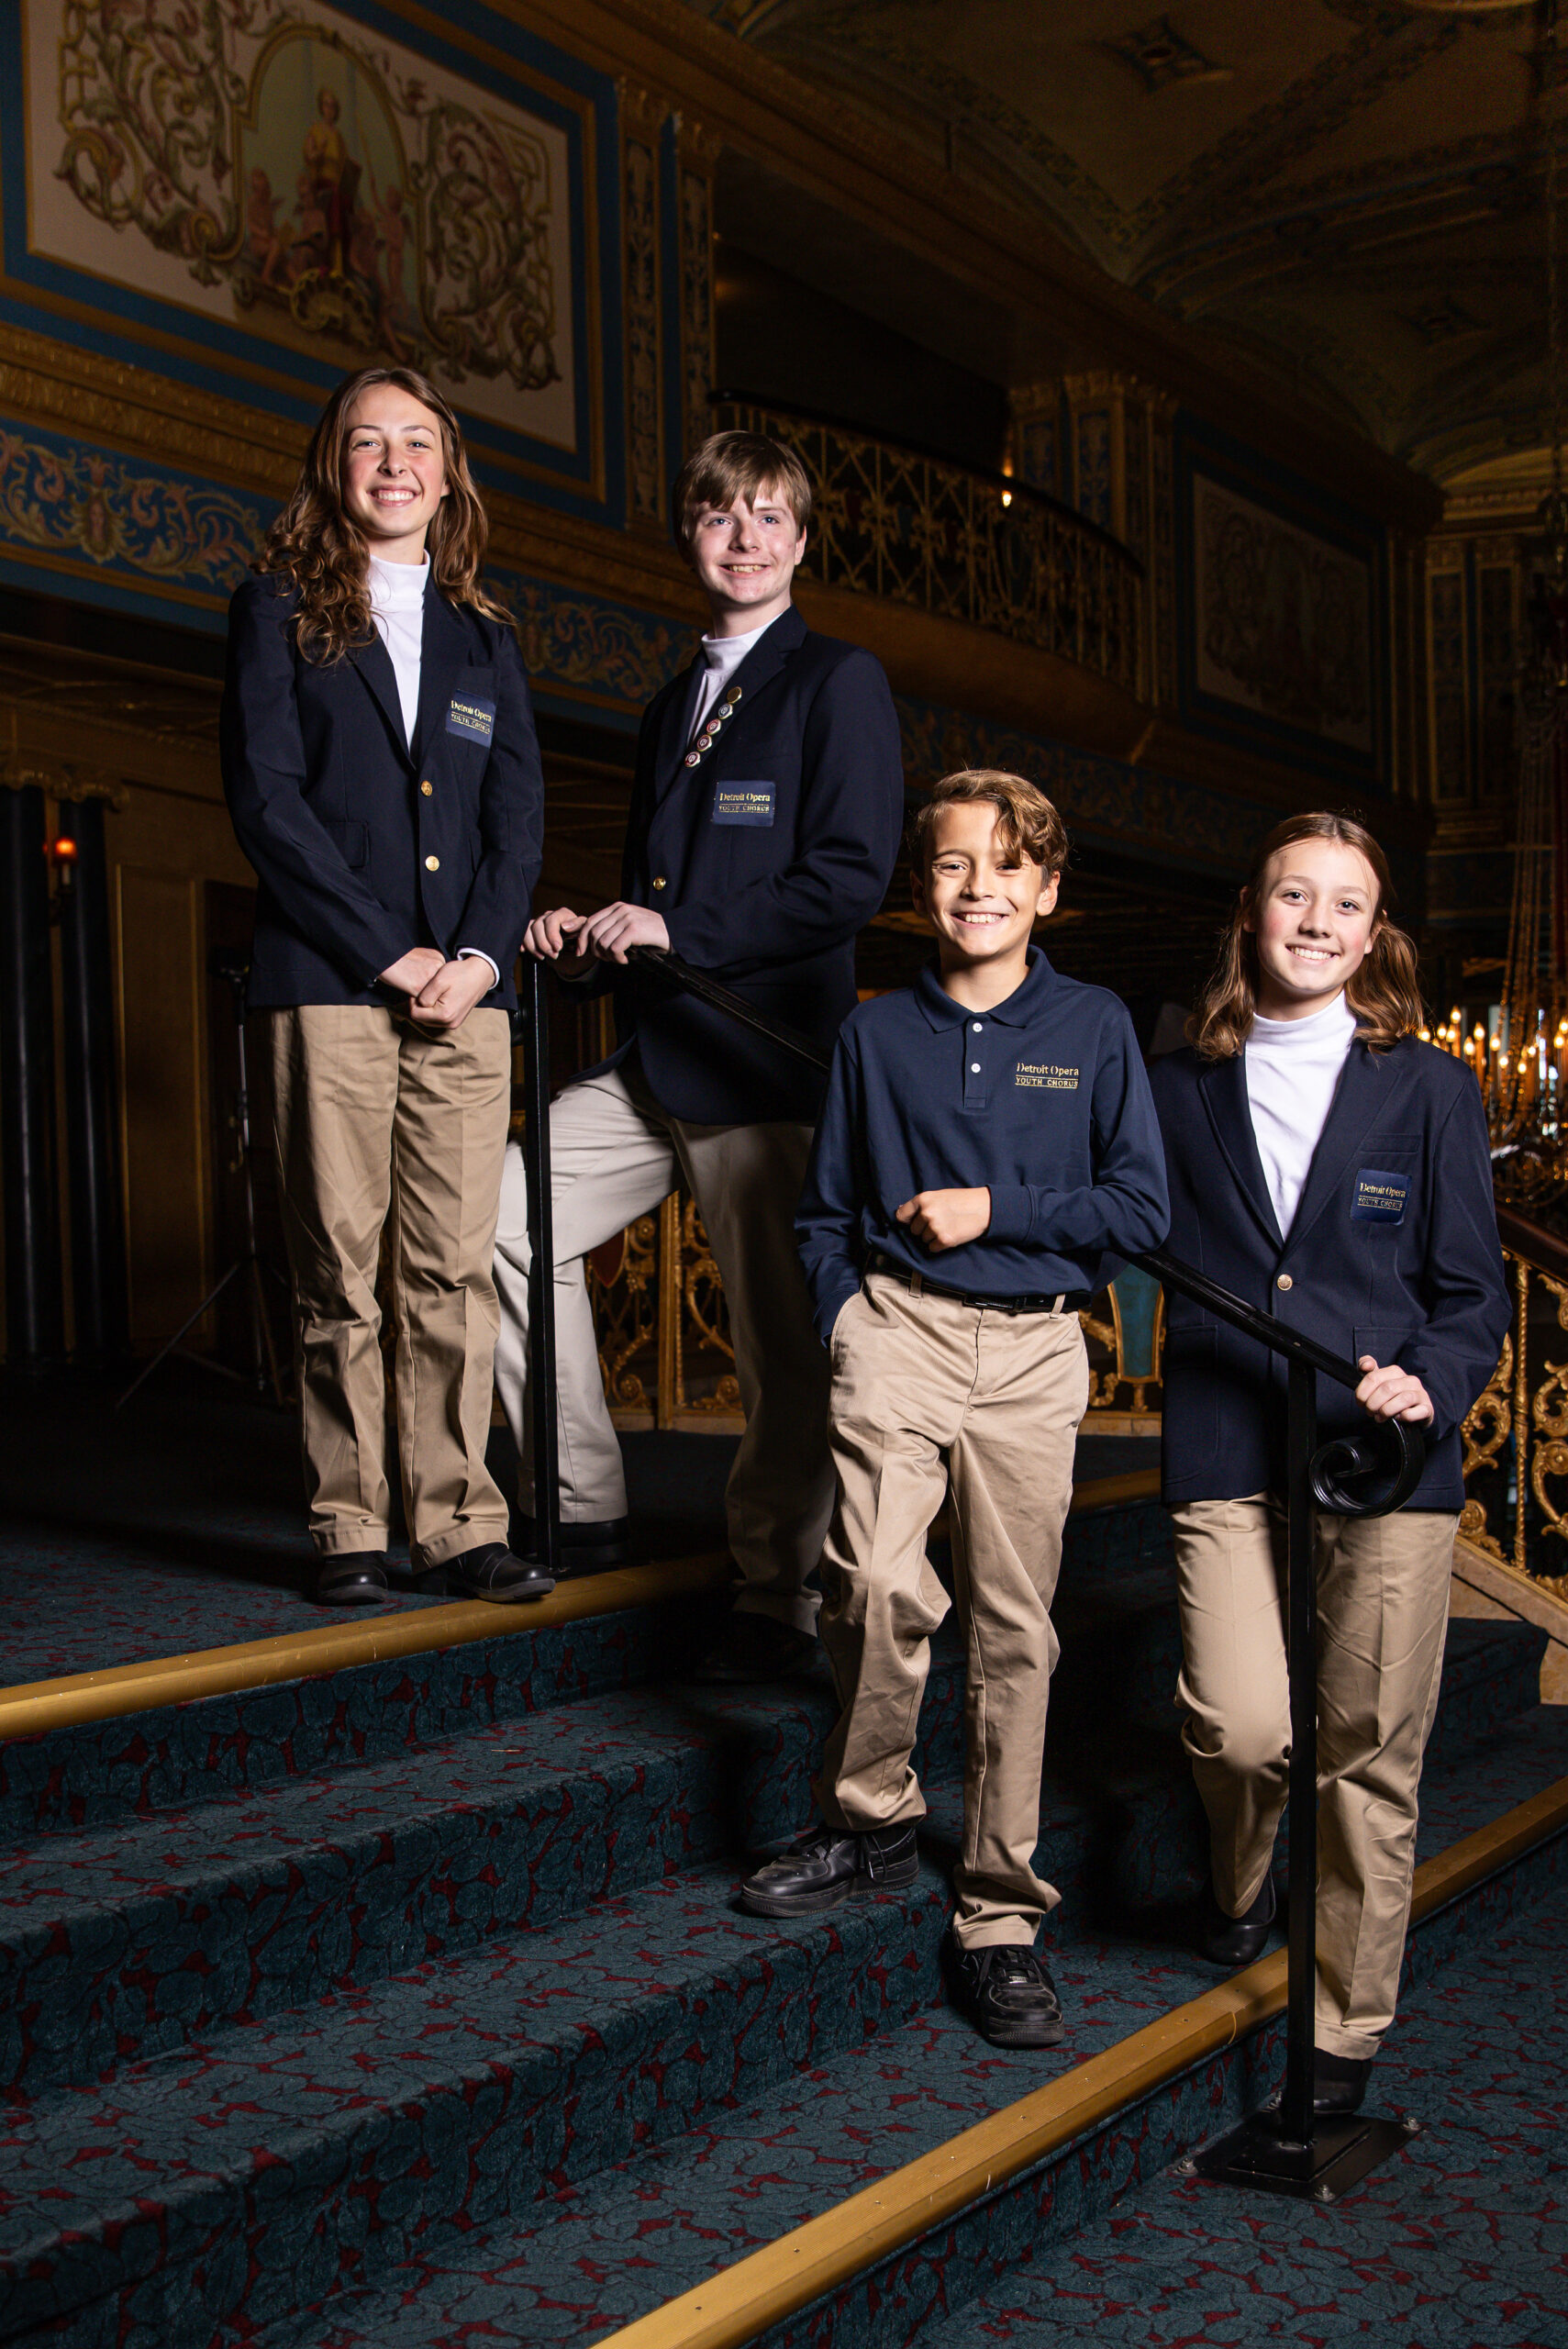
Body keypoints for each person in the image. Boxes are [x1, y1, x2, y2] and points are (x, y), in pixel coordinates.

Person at [740, 770, 1170, 2049]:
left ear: (1046, 890)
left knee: (1012, 1631)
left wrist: (1002, 1212)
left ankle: (997, 1910)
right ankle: (868, 1817)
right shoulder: (876, 1034)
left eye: (1005, 867)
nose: (976, 888)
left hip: (1035, 1353)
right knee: (871, 1580)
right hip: (900, 1330)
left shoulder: (1094, 1027)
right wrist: (845, 1316)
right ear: (919, 886)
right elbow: (822, 1211)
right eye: (948, 865)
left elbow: (1140, 1212)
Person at [493, 429, 903, 1682]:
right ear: (691, 531)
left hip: (768, 1065)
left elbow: (847, 878)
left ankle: (777, 1588)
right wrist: (585, 943)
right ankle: (580, 1494)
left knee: (780, 1349)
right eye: (722, 515)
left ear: (797, 541)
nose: (745, 538)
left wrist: (678, 928)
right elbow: (650, 893)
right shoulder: (672, 701)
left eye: (771, 519)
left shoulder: (838, 681)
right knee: (503, 1220)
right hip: (657, 1051)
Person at [1148, 810, 1508, 2115]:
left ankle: (1343, 2027)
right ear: (1250, 914)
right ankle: (1241, 1880)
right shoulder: (1174, 1079)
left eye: (1342, 904)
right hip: (1228, 1435)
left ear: (1373, 933)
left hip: (1383, 1451)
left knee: (1366, 1753)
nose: (1313, 922)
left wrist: (1437, 1375)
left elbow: (1472, 1291)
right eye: (1290, 896)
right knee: (1242, 1730)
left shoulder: (1427, 1087)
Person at [222, 365, 547, 1607]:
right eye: (369, 442)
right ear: (334, 468)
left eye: (417, 441)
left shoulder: (487, 640)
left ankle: (461, 1521)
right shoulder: (273, 610)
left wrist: (475, 955)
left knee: (451, 1271)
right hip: (325, 985)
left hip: (470, 998)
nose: (394, 461)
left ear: (449, 472)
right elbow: (267, 802)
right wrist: (386, 950)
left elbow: (515, 822)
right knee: (338, 1268)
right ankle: (348, 1524)